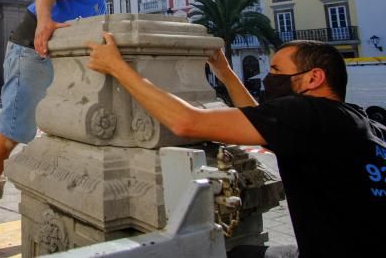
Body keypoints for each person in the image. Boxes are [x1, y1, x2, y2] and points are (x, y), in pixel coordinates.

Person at [86, 37, 386, 258]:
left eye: (278, 71)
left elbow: (186, 122)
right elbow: (264, 123)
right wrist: (225, 72)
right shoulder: (357, 122)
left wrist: (117, 67)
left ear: (313, 78)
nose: (270, 77)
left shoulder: (309, 114)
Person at [0, 0, 145, 258]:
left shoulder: (103, 1)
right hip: (31, 52)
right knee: (11, 136)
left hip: (58, 61)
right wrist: (44, 22)